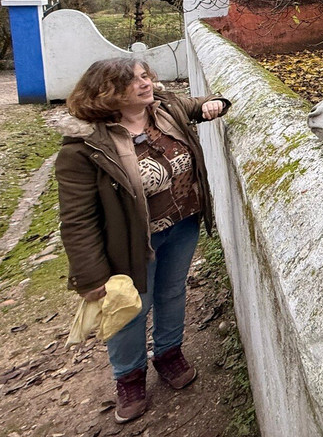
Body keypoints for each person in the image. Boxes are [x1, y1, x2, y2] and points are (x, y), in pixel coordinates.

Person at [55, 57, 230, 423]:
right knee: (131, 308)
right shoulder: (84, 148)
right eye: (133, 81)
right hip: (132, 242)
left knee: (171, 292)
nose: (145, 83)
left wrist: (216, 105)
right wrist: (90, 276)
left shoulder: (165, 111)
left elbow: (200, 104)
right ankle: (129, 377)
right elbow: (77, 219)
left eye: (145, 76)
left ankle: (168, 353)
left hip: (183, 224)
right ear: (107, 93)